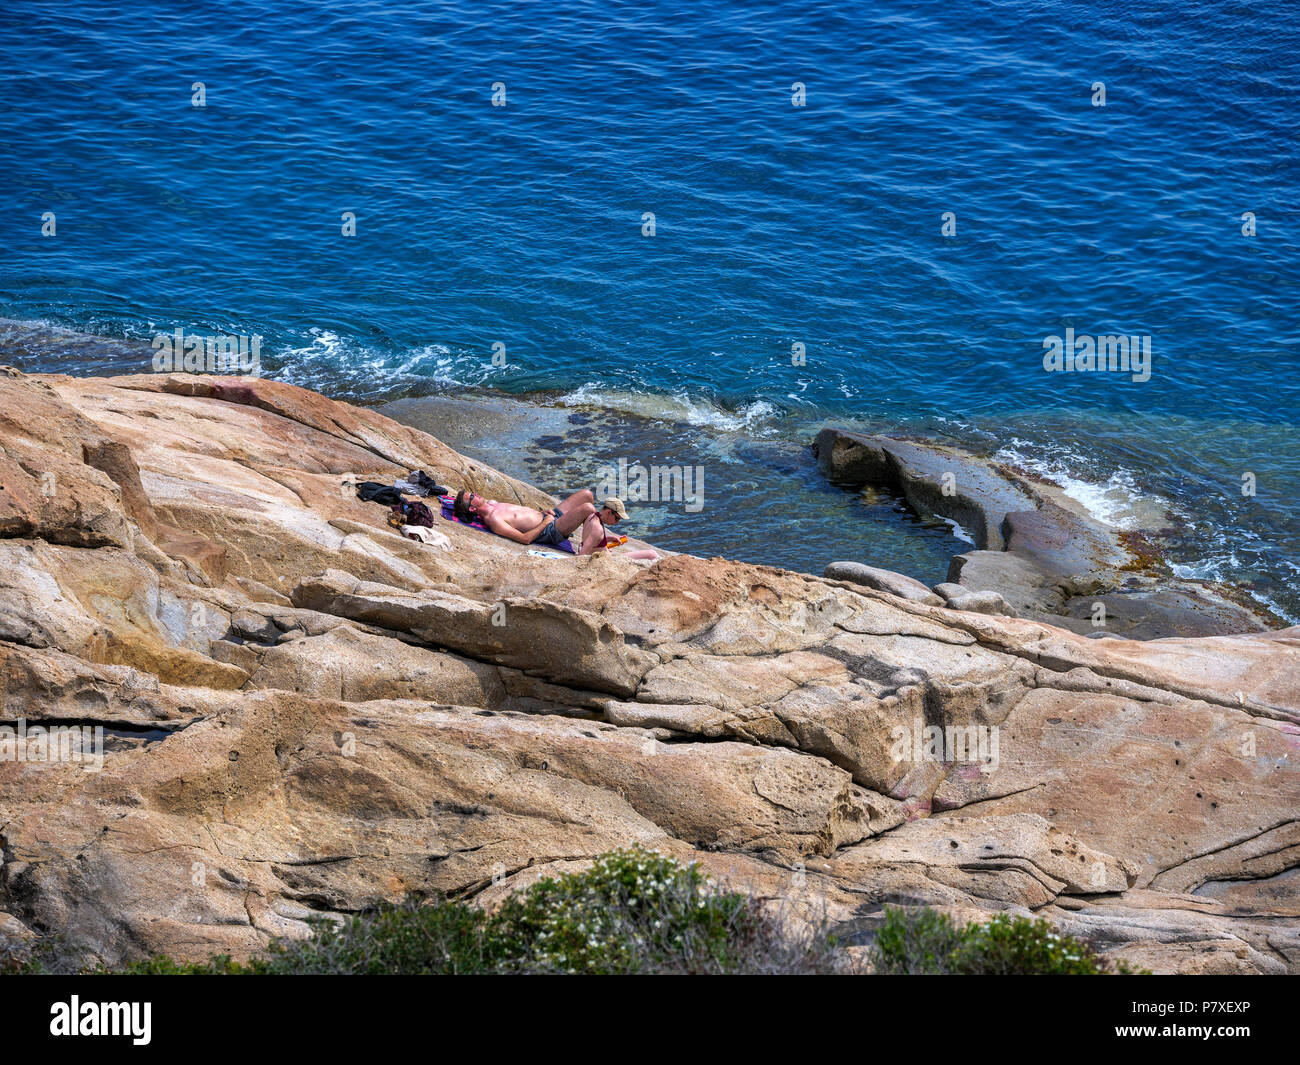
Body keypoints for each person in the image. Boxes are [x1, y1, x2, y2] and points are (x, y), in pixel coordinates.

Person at [453, 487, 600, 547]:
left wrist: (543, 514)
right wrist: (546, 522)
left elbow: (522, 514)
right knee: (588, 508)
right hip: (549, 530)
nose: (475, 493)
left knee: (586, 494)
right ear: (472, 508)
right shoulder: (494, 521)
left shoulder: (492, 503)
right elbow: (525, 539)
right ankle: (592, 546)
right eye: (472, 496)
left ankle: (591, 538)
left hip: (548, 517)